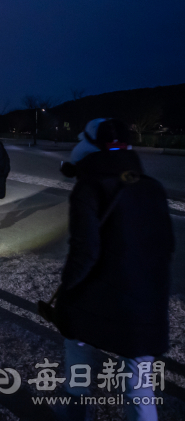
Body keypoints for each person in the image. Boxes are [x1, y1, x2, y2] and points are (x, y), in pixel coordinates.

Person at [55, 119, 174, 421]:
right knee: (139, 387)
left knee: (78, 361)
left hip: (95, 301)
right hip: (144, 304)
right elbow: (167, 246)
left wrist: (66, 290)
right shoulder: (152, 187)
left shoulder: (89, 187)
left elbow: (85, 251)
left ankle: (75, 412)